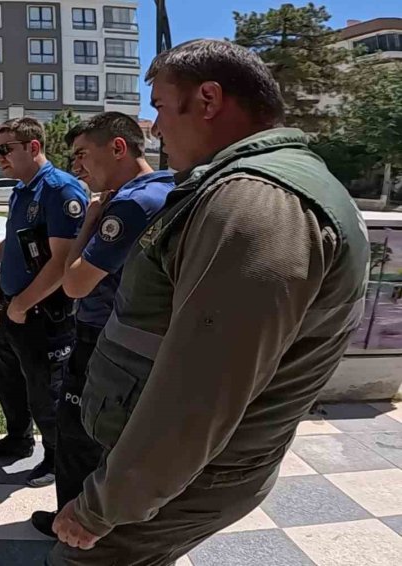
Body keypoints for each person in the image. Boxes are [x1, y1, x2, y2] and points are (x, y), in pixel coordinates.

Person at [48, 39, 369, 565]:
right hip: (192, 464)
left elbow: (199, 390)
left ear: (208, 100)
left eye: (158, 107)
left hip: (197, 469)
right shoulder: (257, 185)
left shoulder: (255, 202)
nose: (154, 129)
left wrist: (102, 507)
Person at [30, 113, 174, 537]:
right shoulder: (166, 186)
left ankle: (72, 529)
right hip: (138, 340)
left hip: (105, 338)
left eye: (82, 155)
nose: (78, 168)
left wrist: (90, 221)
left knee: (77, 438)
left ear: (118, 148)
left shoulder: (128, 203)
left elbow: (74, 284)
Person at [0, 117, 88, 488]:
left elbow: (61, 261)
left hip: (42, 312)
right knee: (9, 380)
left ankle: (58, 458)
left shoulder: (61, 191)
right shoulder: (24, 190)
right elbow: (16, 241)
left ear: (34, 147)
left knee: (47, 390)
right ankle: (19, 439)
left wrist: (22, 305)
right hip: (14, 305)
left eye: (4, 150)